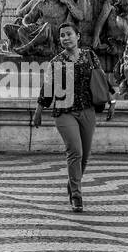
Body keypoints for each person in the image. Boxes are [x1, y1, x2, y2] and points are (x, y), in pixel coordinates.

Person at [34, 22, 114, 212]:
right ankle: (76, 195)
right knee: (75, 151)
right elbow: (47, 88)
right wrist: (38, 110)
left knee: (84, 156)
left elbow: (101, 79)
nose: (65, 38)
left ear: (78, 36)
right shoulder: (56, 62)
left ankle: (72, 184)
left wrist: (111, 101)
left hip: (87, 110)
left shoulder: (89, 55)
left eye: (69, 34)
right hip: (64, 112)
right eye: (62, 35)